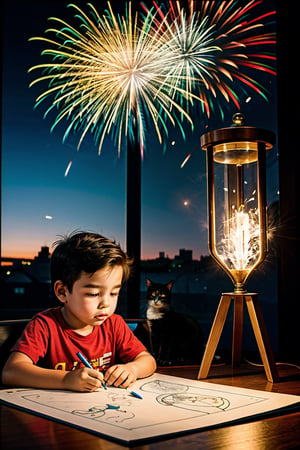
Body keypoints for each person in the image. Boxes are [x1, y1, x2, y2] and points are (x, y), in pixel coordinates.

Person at [1, 231, 156, 392]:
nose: (106, 304)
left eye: (114, 293)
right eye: (93, 294)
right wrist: (66, 380)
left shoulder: (114, 324)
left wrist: (132, 369)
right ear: (62, 292)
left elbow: (147, 361)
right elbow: (11, 371)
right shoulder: (45, 325)